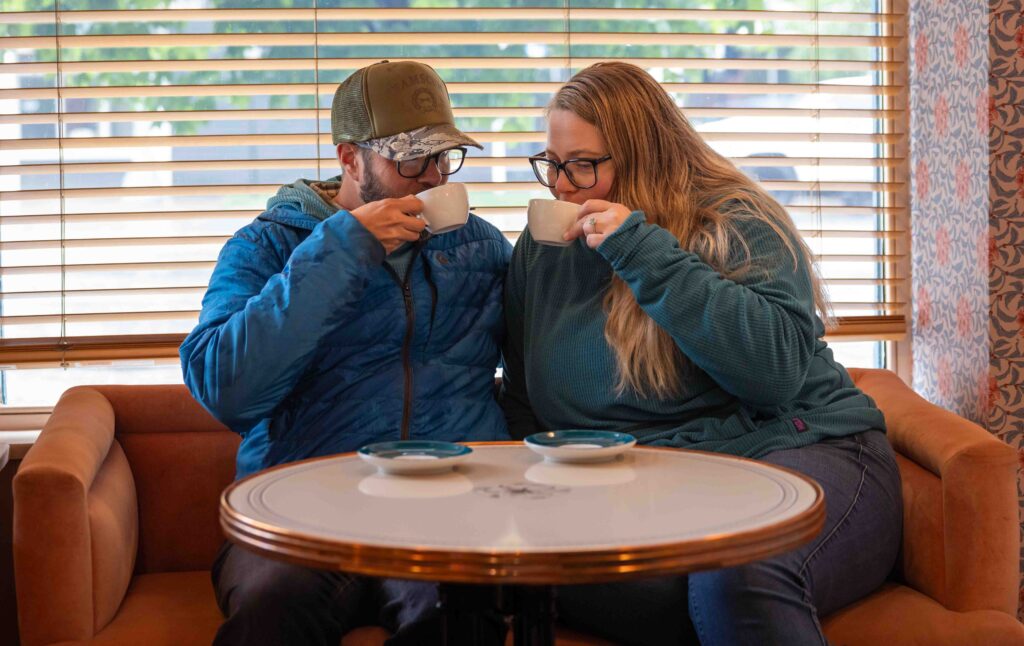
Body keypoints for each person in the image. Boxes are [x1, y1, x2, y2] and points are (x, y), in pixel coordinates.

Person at [501, 61, 902, 645]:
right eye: (552, 164)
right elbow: (523, 404)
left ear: (643, 157)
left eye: (583, 165)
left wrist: (640, 252)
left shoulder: (736, 221)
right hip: (664, 488)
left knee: (738, 565)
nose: (562, 186)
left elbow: (773, 374)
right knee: (533, 573)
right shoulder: (541, 258)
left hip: (799, 447)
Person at [180, 60, 511, 646]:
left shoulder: (478, 247)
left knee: (459, 613)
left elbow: (544, 365)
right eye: (411, 159)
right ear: (349, 158)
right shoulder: (267, 246)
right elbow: (226, 390)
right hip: (299, 516)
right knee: (272, 612)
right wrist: (344, 248)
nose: (433, 177)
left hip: (443, 513)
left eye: (444, 156)